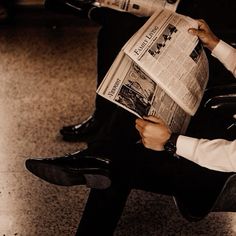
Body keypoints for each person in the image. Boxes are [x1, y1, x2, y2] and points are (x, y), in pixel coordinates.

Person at [25, 6, 236, 234]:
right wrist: (216, 45)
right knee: (137, 104)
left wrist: (171, 141)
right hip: (224, 127)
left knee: (119, 163)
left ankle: (98, 158)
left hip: (220, 168)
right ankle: (97, 155)